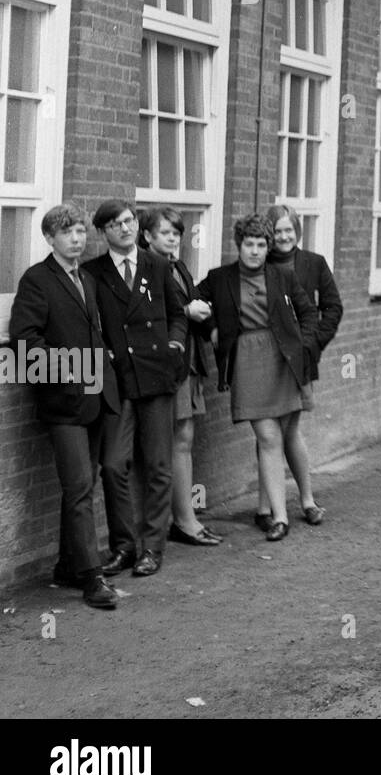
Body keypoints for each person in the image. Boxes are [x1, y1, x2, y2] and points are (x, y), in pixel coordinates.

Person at [9, 205, 120, 609]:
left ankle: (68, 566)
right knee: (78, 489)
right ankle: (91, 578)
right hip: (63, 401)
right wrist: (71, 373)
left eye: (79, 231)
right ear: (50, 238)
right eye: (67, 232)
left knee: (81, 487)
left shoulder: (86, 279)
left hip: (94, 399)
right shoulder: (37, 280)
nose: (77, 239)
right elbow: (25, 340)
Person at [195, 215, 319, 540]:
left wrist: (304, 346)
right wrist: (211, 330)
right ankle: (280, 517)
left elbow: (308, 313)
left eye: (261, 245)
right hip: (247, 360)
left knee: (283, 434)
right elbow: (190, 303)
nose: (254, 251)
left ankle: (274, 512)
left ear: (268, 247)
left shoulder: (283, 276)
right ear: (239, 245)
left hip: (284, 359)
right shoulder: (219, 278)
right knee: (268, 436)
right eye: (248, 244)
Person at [82, 199, 187, 578]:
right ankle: (124, 546)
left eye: (128, 221)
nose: (124, 229)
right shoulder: (92, 272)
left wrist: (175, 344)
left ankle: (153, 548)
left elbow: (178, 314)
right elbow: (89, 323)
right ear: (103, 232)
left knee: (159, 464)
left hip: (157, 376)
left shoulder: (158, 265)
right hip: (119, 380)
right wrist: (102, 351)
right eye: (115, 225)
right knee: (112, 465)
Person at [138, 207, 221, 547]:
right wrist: (188, 311)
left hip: (186, 361)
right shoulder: (144, 269)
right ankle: (182, 521)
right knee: (172, 441)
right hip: (164, 363)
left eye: (177, 233)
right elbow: (142, 315)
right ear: (147, 236)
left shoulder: (178, 266)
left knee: (183, 438)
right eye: (165, 233)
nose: (173, 239)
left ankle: (184, 517)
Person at [258, 203, 342, 529]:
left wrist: (312, 345)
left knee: (288, 428)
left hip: (300, 361)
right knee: (267, 428)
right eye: (277, 231)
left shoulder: (314, 264)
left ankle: (305, 498)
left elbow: (332, 308)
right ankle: (266, 508)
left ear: (297, 231)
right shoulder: (260, 264)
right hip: (268, 359)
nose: (283, 236)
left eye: (288, 230)